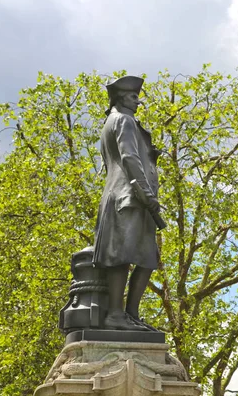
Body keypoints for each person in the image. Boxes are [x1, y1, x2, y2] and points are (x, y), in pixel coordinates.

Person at [92, 75, 162, 331]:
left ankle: (128, 314)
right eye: (134, 97)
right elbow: (130, 157)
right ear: (122, 97)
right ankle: (119, 315)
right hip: (129, 198)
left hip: (121, 196)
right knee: (127, 257)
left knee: (140, 256)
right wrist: (146, 193)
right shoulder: (123, 120)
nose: (138, 101)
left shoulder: (111, 122)